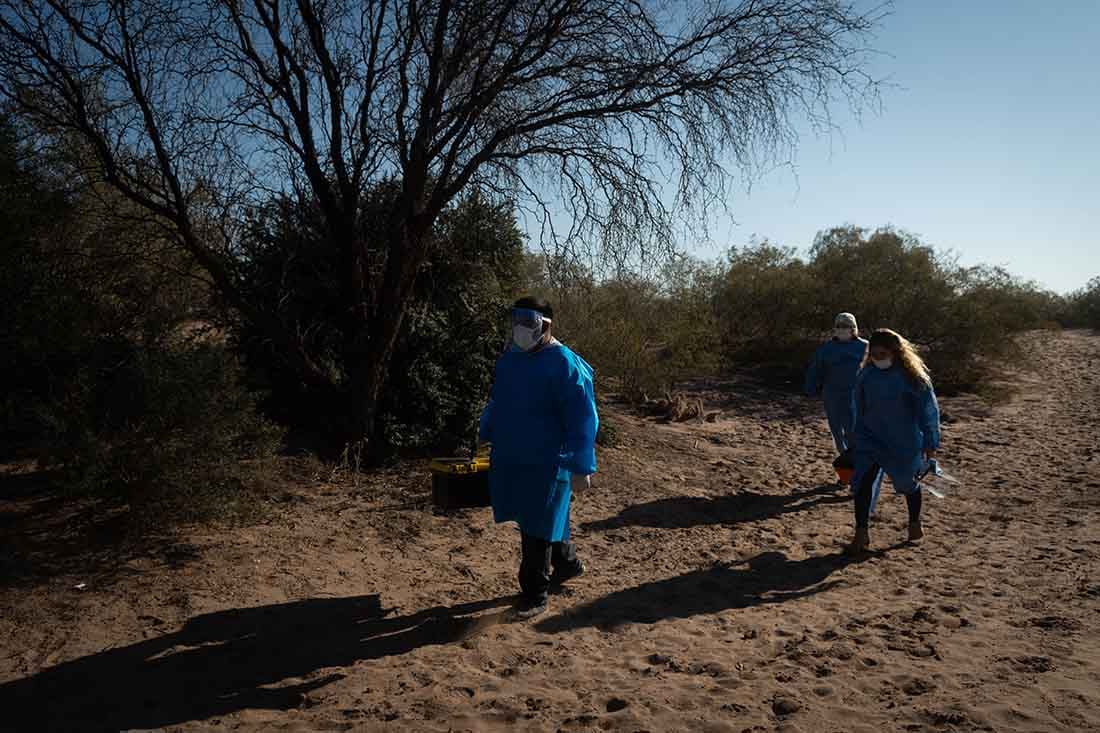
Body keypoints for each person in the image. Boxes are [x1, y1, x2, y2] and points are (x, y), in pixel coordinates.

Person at [479, 297, 598, 619]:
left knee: (537, 523)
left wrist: (581, 463)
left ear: (547, 325)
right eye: (516, 322)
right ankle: (568, 563)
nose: (521, 330)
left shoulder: (565, 364)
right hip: (512, 454)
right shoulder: (510, 360)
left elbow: (583, 418)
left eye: (528, 323)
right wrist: (486, 428)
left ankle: (535, 594)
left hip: (549, 460)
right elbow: (499, 399)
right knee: (541, 518)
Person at [846, 328, 941, 554]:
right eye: (874, 354)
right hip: (870, 438)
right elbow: (857, 407)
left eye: (882, 354)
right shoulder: (866, 375)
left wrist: (930, 440)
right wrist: (855, 436)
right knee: (862, 484)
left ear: (895, 352)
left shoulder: (913, 378)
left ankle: (914, 523)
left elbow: (928, 412)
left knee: (908, 484)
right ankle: (861, 534)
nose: (878, 359)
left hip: (903, 440)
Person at [804, 312, 868, 458]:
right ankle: (845, 468)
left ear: (853, 328)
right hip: (831, 395)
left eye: (845, 326)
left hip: (855, 396)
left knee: (853, 433)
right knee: (837, 434)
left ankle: (855, 468)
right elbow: (816, 369)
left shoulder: (865, 347)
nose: (842, 329)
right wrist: (810, 388)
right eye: (838, 326)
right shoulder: (827, 348)